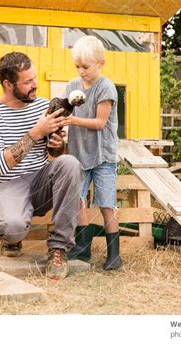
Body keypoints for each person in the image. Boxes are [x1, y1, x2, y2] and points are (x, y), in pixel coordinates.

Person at [0, 52, 83, 280]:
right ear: (8, 84)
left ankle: (58, 249)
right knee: (13, 228)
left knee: (69, 163)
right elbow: (0, 166)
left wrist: (56, 144)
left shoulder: (43, 106)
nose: (35, 85)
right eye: (27, 82)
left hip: (39, 181)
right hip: (6, 185)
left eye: (34, 78)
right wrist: (36, 132)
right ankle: (12, 236)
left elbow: (54, 152)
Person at [62, 35, 122, 270]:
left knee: (107, 203)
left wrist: (73, 119)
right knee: (77, 201)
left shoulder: (106, 87)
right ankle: (82, 249)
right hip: (78, 153)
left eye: (85, 67)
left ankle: (114, 255)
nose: (81, 71)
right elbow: (65, 113)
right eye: (77, 66)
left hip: (103, 155)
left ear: (101, 63)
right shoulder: (71, 86)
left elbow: (99, 123)